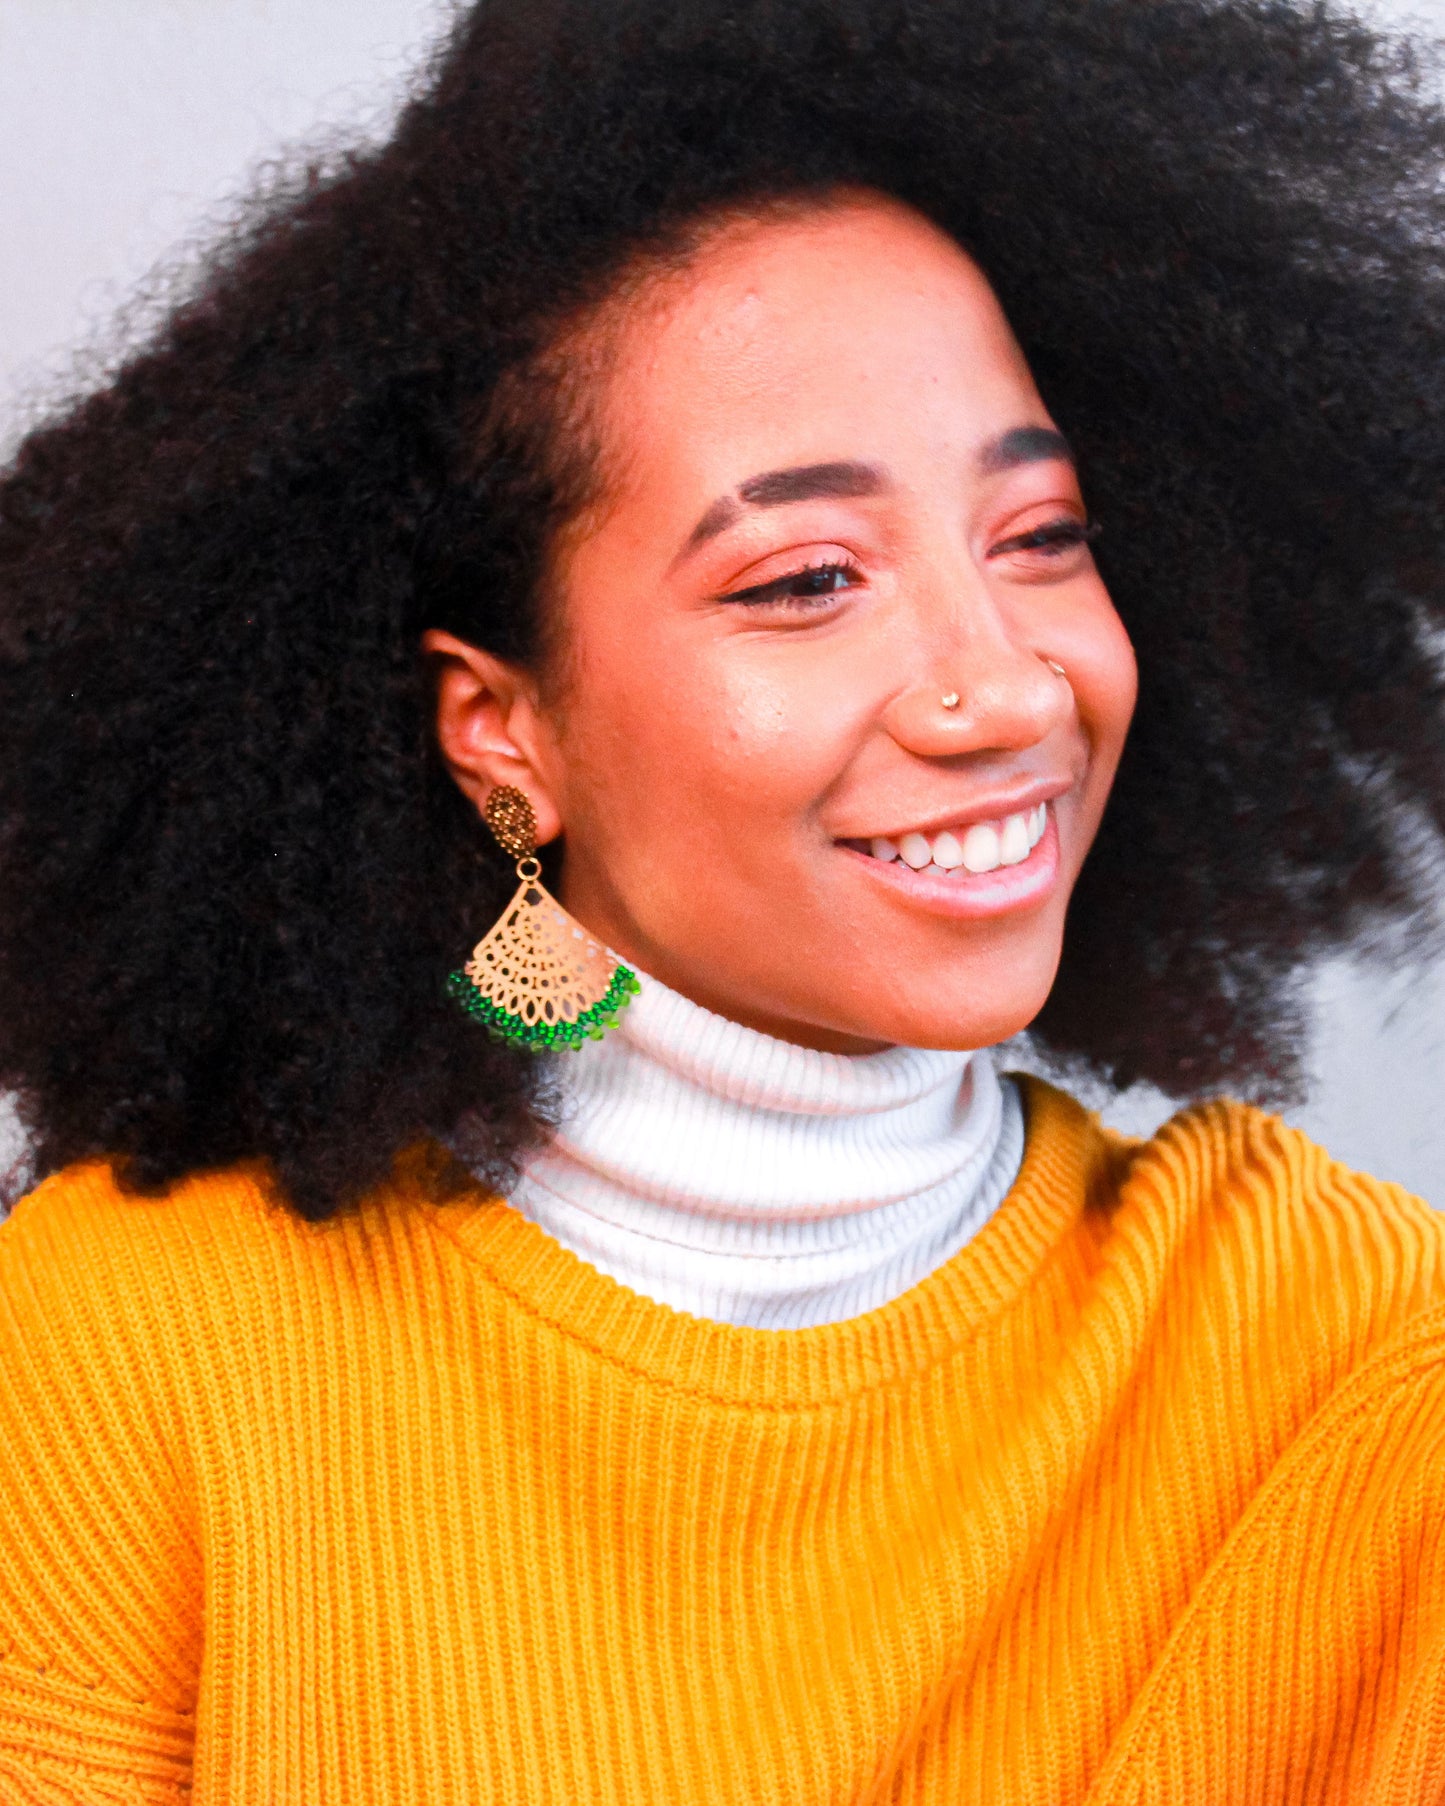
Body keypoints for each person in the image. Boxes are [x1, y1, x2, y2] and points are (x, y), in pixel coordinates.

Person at [2, 0, 1445, 1797]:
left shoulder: (1345, 1366)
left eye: (1043, 536)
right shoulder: (128, 1352)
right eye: (806, 576)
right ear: (500, 729)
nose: (999, 686)